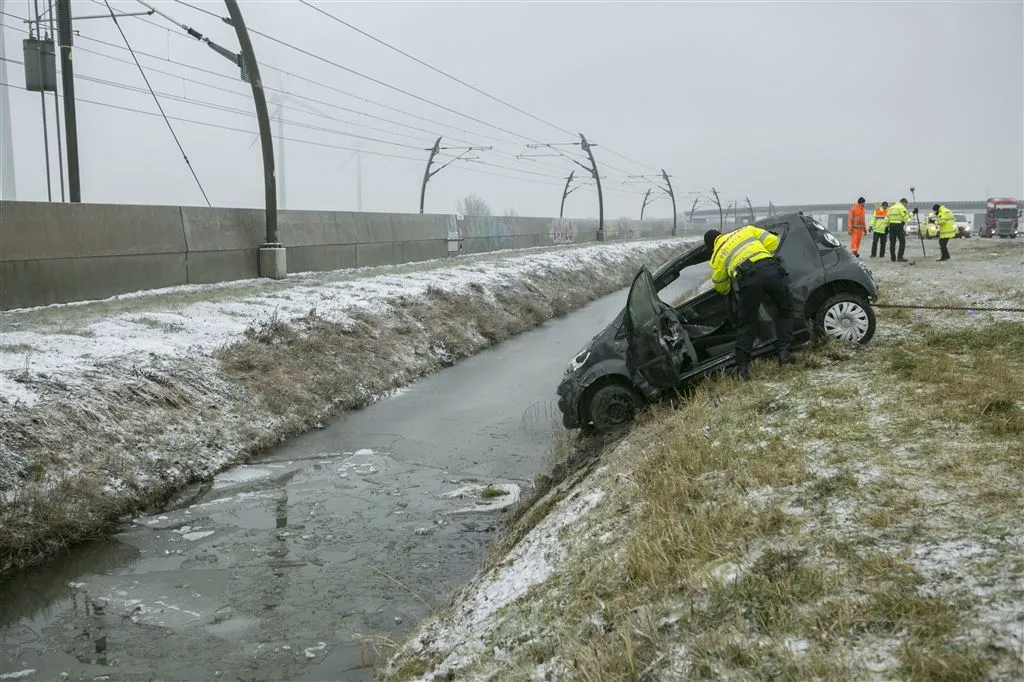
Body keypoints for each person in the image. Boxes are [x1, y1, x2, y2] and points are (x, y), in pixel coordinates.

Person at [704, 227, 794, 380]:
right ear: (721, 233)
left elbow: (721, 286)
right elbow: (773, 241)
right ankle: (784, 354)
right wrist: (762, 256)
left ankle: (742, 370)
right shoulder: (746, 230)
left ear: (711, 246)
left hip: (748, 281)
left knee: (747, 323)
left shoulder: (717, 255)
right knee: (785, 309)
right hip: (770, 270)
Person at [884, 197, 917, 262]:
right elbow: (905, 217)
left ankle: (893, 258)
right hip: (898, 226)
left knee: (892, 243)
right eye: (906, 204)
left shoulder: (891, 208)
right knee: (902, 242)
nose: (906, 206)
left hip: (891, 226)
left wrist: (886, 227)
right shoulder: (902, 208)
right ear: (903, 202)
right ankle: (900, 257)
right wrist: (913, 213)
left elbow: (886, 218)